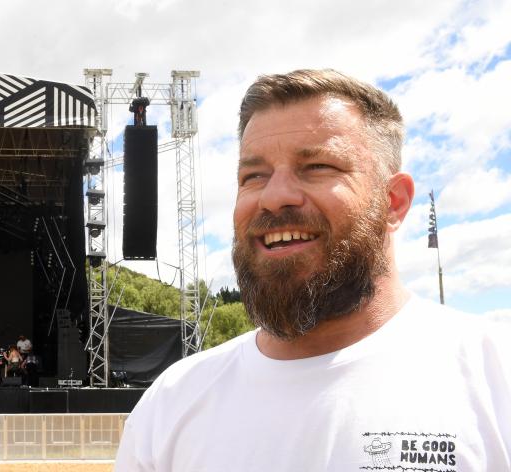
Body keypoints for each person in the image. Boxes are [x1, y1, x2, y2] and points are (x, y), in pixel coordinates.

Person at [115, 69, 511, 471]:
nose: (274, 197)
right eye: (254, 176)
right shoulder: (172, 404)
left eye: (317, 166)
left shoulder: (495, 377)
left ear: (393, 202)